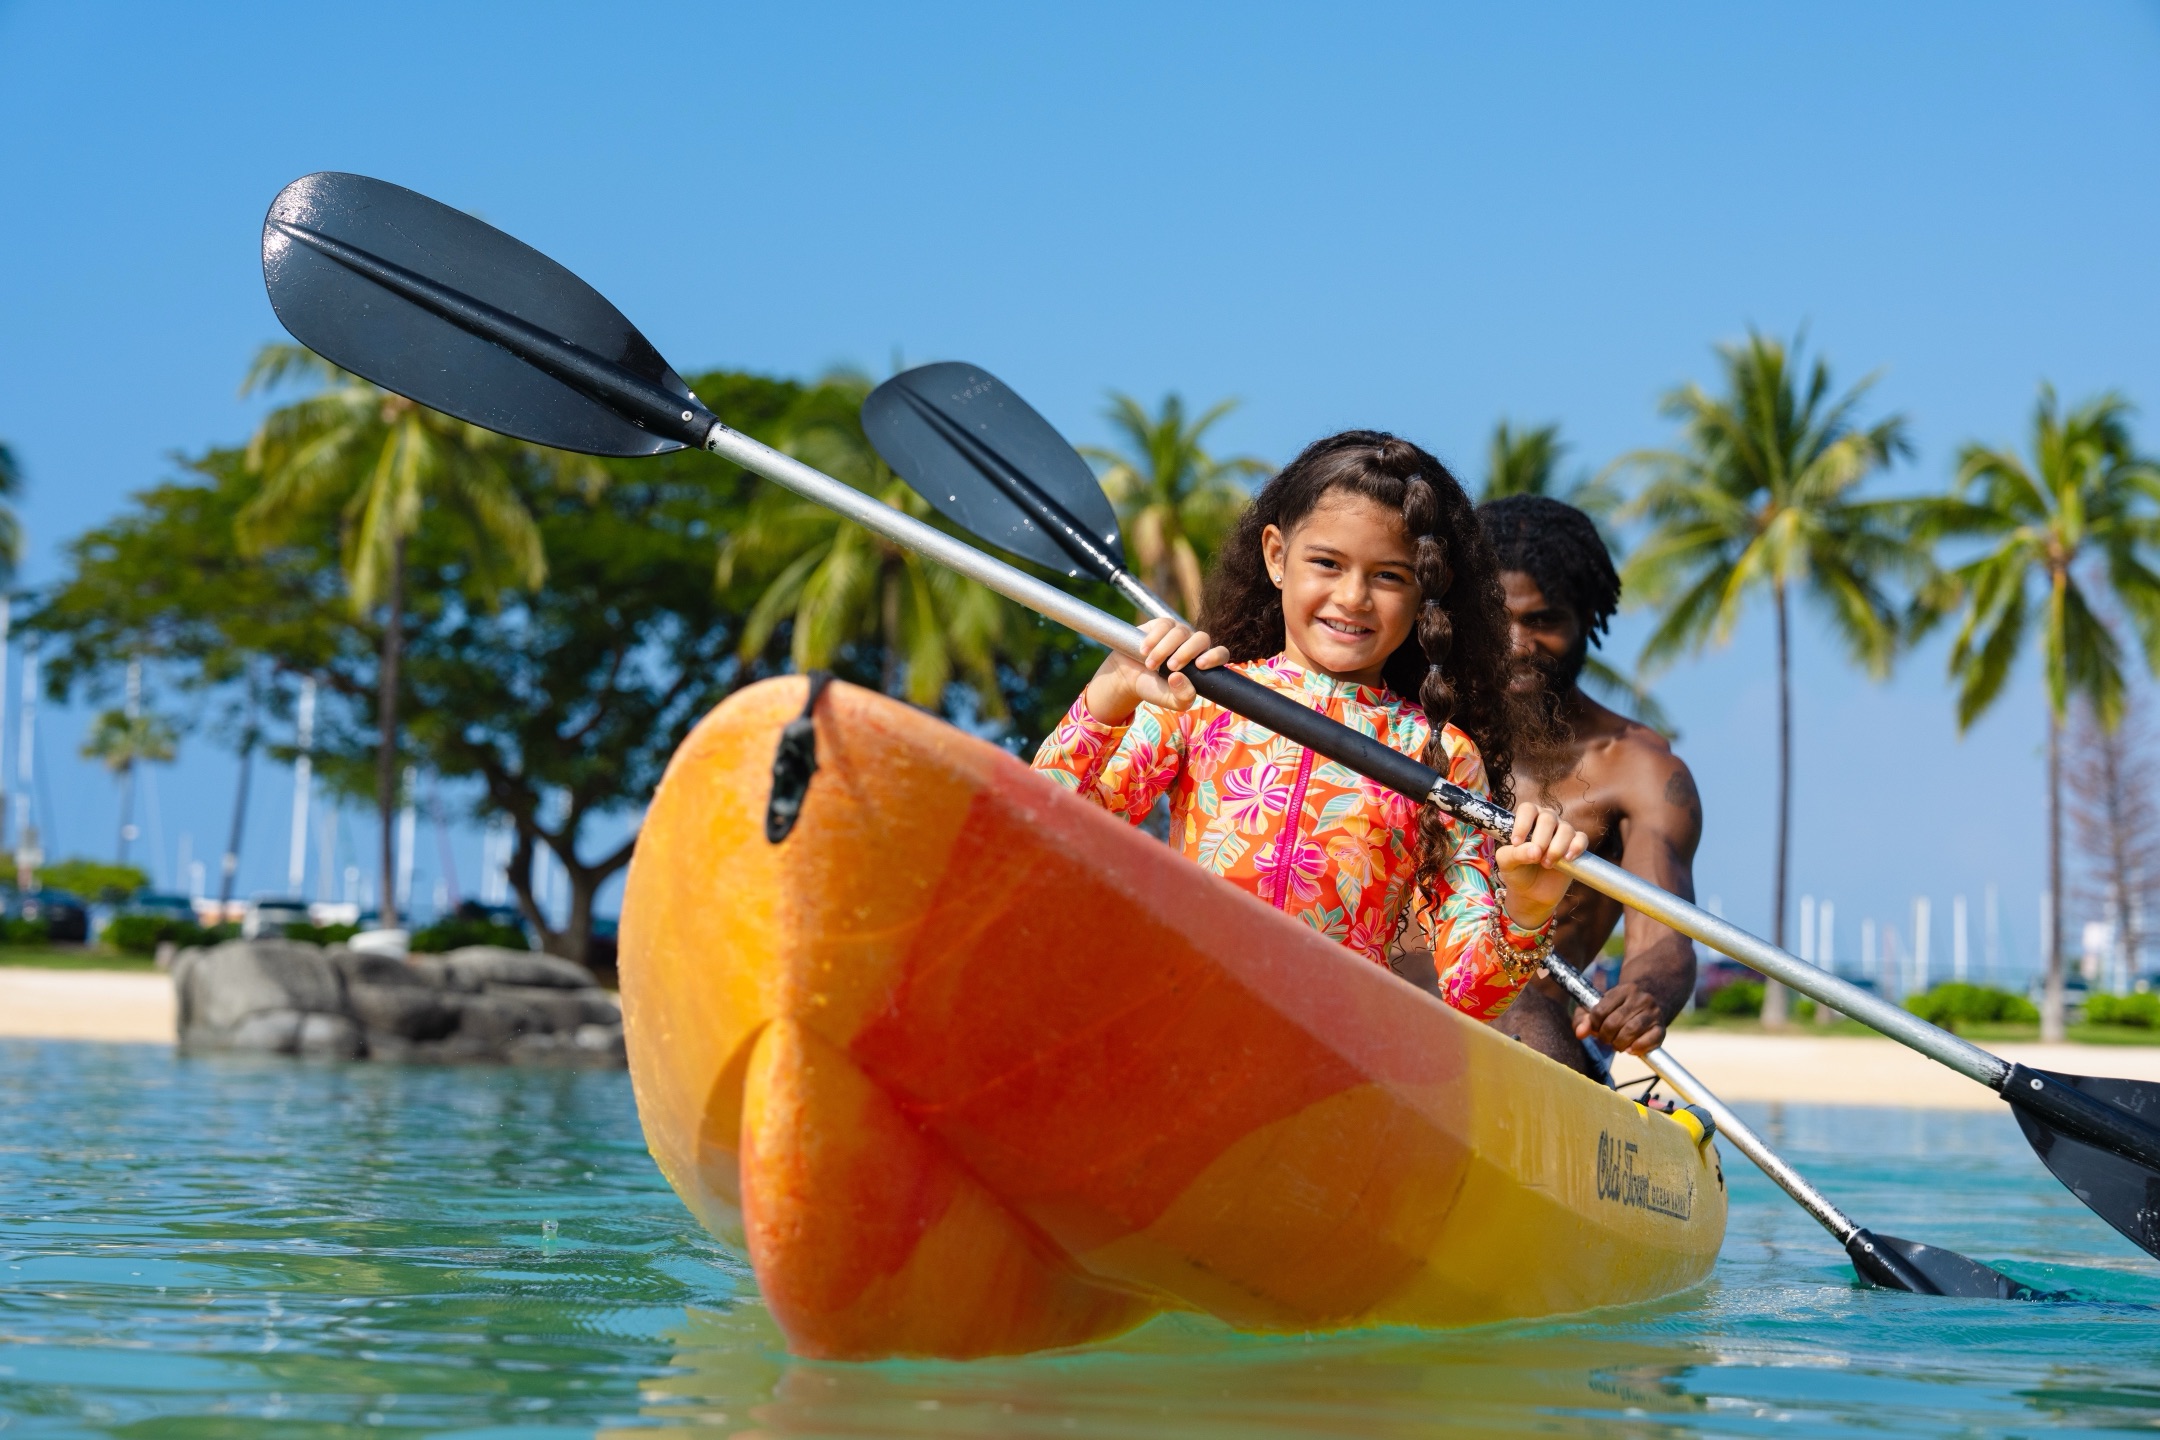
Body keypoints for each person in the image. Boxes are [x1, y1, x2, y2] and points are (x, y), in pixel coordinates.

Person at [1032, 431, 1586, 1022]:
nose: (1352, 598)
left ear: (1427, 589)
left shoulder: (1442, 756)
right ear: (1277, 556)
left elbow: (1472, 996)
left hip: (1333, 1053)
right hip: (1181, 1014)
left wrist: (1526, 910)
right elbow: (1043, 828)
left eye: (1390, 576)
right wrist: (1108, 698)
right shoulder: (1199, 700)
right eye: (1327, 563)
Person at [1474, 494, 1704, 1077]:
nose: (1517, 643)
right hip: (1391, 1023)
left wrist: (1645, 993)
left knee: (1509, 999)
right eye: (1496, 617)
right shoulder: (1406, 731)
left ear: (1586, 622)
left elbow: (1664, 931)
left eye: (1542, 620)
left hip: (1537, 1049)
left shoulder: (1637, 769)